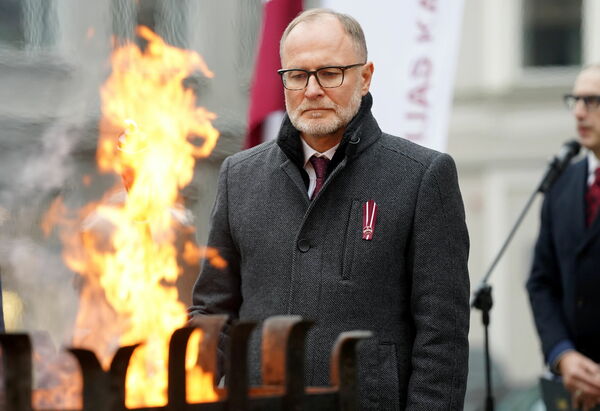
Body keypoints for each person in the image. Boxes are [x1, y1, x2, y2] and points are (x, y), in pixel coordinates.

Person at [189, 8, 470, 410]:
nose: (312, 90)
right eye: (297, 75)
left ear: (366, 75)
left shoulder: (423, 176)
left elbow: (442, 334)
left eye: (330, 72)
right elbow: (213, 311)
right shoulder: (240, 176)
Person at [527, 65, 600, 411]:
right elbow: (541, 282)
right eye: (575, 100)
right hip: (570, 390)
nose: (579, 112)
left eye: (592, 101)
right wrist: (563, 354)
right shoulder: (561, 183)